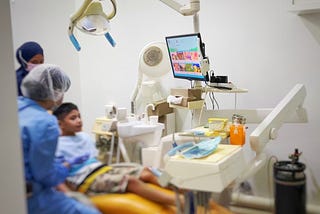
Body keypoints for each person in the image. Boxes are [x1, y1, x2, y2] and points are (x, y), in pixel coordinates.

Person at [53, 102, 182, 206]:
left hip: (102, 169)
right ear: (60, 124)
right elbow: (56, 177)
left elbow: (96, 160)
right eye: (73, 118)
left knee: (148, 171)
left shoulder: (84, 137)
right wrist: (70, 195)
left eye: (79, 116)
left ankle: (182, 189)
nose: (79, 121)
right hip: (85, 180)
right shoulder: (55, 146)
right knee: (131, 181)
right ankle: (180, 202)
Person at [18, 64, 101, 214]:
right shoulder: (46, 122)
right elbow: (45, 175)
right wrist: (65, 166)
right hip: (31, 196)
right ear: (55, 92)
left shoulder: (17, 106)